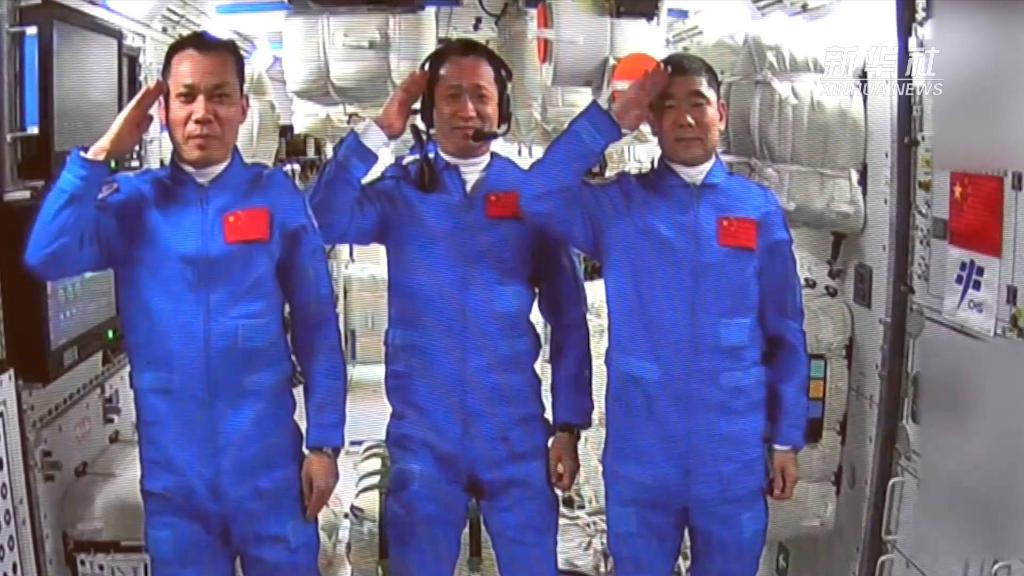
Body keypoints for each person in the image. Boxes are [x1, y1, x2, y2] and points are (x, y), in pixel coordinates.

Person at [308, 38, 659, 576]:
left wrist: (568, 426)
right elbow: (322, 219)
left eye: (481, 96)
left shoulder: (529, 198)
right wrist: (382, 128)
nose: (467, 109)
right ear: (430, 109)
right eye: (451, 95)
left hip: (514, 434)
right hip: (424, 436)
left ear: (502, 109)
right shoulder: (402, 191)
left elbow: (568, 319)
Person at [24, 31, 345, 575]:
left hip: (269, 474)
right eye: (186, 96)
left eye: (219, 96)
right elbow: (45, 254)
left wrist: (325, 444)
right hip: (178, 487)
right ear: (163, 110)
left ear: (243, 108)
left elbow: (317, 328)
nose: (202, 113)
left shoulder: (275, 198)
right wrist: (101, 154)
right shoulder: (133, 204)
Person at [518, 53, 809, 575]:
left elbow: (785, 334)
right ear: (651, 120)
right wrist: (611, 120)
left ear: (721, 113)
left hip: (732, 455)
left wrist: (786, 437)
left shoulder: (756, 210)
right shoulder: (619, 206)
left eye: (698, 103)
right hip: (642, 458)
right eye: (668, 106)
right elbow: (537, 195)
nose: (685, 118)